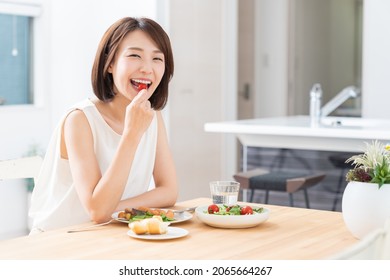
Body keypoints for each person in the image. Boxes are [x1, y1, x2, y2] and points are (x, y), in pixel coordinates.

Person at [29, 17, 178, 233]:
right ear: (110, 64)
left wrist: (115, 210)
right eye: (135, 55)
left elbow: (169, 191)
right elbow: (98, 211)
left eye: (157, 59)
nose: (147, 68)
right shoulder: (79, 120)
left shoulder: (152, 118)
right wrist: (132, 134)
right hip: (61, 239)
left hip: (111, 233)